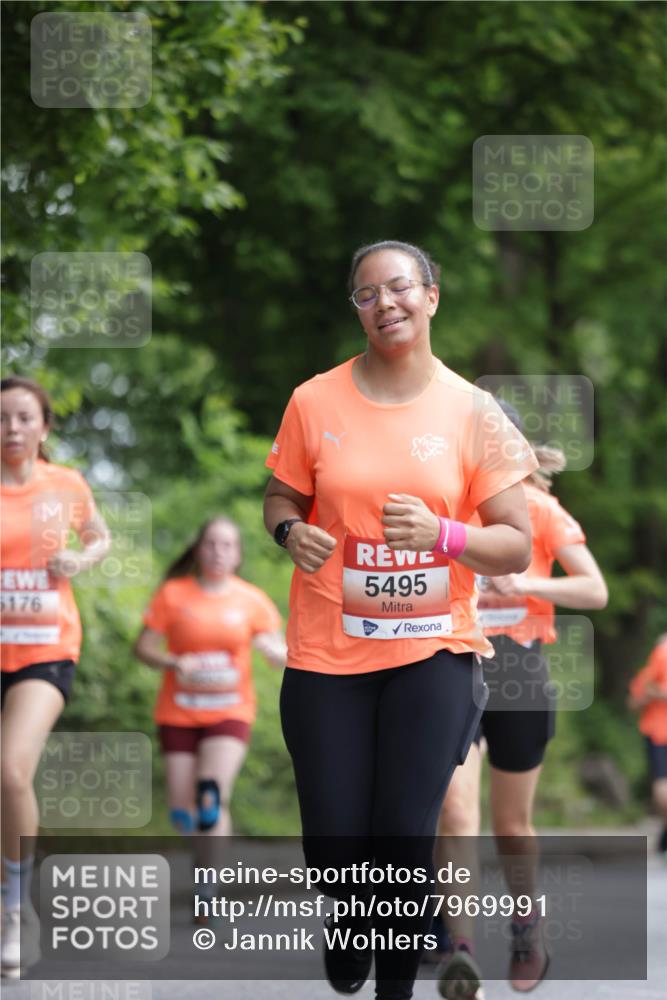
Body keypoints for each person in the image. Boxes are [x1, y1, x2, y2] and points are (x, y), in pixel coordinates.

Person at [263, 240, 538, 1000]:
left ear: (431, 296)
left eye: (399, 287)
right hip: (327, 654)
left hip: (433, 652)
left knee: (405, 834)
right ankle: (349, 919)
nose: (384, 303)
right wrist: (289, 531)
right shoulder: (313, 400)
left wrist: (442, 534)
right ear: (356, 309)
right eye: (366, 293)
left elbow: (514, 541)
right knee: (334, 845)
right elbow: (280, 496)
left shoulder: (474, 412)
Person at [435, 400, 608, 1000]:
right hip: (455, 662)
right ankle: (460, 953)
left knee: (511, 826)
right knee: (455, 813)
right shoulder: (444, 504)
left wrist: (527, 583)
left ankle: (526, 919)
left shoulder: (538, 508)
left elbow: (595, 589)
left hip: (517, 669)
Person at [1, 375, 110, 974]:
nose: (12, 429)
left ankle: (15, 908)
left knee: (10, 770)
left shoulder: (65, 484)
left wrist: (80, 557)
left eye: (24, 417)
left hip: (45, 647)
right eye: (1, 418)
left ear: (44, 427)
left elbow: (99, 537)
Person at [133, 516, 286, 916]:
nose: (219, 552)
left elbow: (276, 646)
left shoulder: (251, 600)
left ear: (238, 555)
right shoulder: (173, 595)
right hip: (179, 712)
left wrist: (277, 653)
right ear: (199, 550)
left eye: (227, 545)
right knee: (183, 808)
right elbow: (143, 648)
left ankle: (208, 887)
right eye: (212, 544)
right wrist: (173, 662)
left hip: (230, 711)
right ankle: (202, 859)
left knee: (212, 793)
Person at [628, 634, 667, 859]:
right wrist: (651, 694)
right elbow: (634, 701)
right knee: (661, 790)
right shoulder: (649, 671)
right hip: (658, 734)